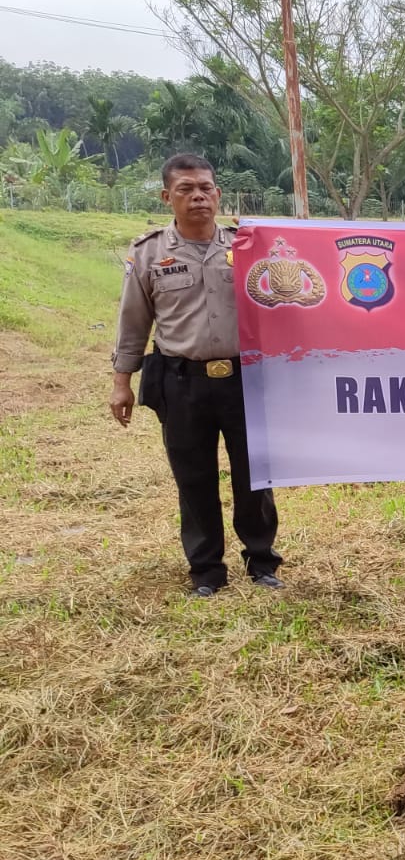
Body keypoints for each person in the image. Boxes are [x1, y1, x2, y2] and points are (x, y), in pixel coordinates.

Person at [108, 153, 282, 598]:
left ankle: (262, 562)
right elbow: (134, 321)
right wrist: (121, 381)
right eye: (186, 189)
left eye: (205, 187)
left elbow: (286, 297)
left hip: (246, 380)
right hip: (181, 381)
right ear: (168, 197)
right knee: (194, 477)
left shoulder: (250, 246)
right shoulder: (149, 253)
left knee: (255, 475)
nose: (198, 196)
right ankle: (206, 571)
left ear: (218, 194)